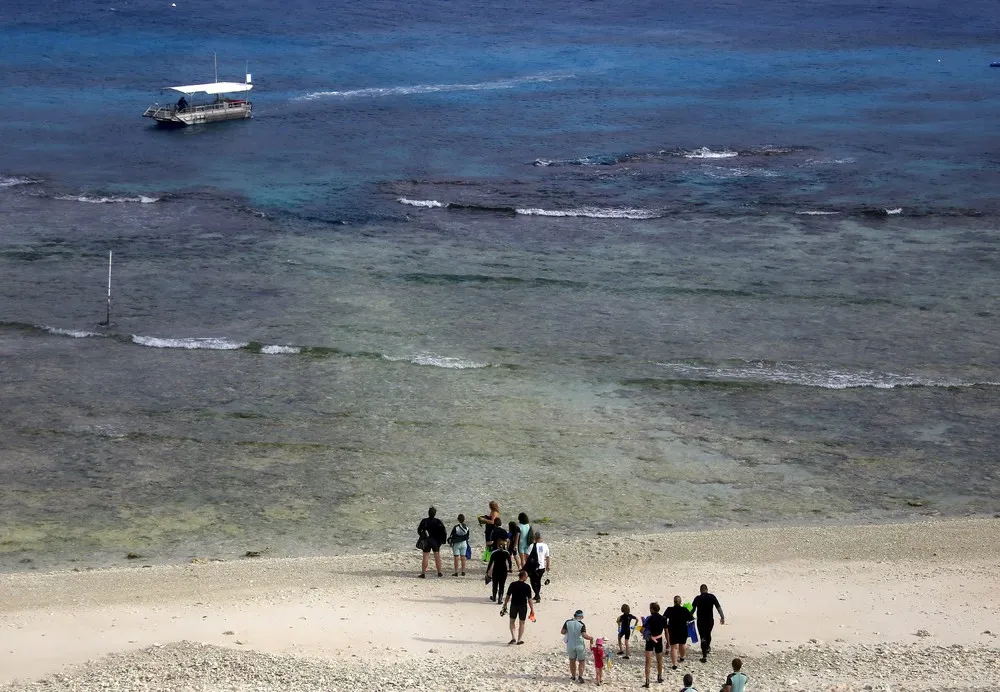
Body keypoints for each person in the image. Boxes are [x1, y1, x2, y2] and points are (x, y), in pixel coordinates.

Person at [691, 584, 725, 662]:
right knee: (708, 634)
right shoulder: (712, 597)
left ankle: (704, 655)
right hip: (709, 620)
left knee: (702, 637)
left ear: (700, 590)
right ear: (707, 589)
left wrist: (688, 617)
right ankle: (707, 647)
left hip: (700, 621)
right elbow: (718, 607)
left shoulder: (697, 598)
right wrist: (722, 617)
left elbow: (693, 610)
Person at [501, 570, 535, 645]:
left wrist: (505, 604)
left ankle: (513, 638)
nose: (527, 577)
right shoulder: (527, 586)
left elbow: (508, 596)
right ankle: (519, 640)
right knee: (522, 623)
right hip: (523, 606)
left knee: (512, 621)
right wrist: (532, 609)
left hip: (514, 605)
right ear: (524, 577)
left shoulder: (513, 584)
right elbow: (529, 599)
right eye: (526, 576)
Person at [561, 609, 594, 683]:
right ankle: (580, 676)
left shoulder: (567, 622)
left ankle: (573, 676)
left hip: (570, 644)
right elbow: (584, 635)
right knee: (581, 661)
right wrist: (591, 638)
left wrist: (569, 632)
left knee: (572, 661)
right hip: (579, 645)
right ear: (581, 617)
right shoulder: (581, 624)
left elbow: (562, 632)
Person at [642, 602, 669, 688]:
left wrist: (647, 635)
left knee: (648, 661)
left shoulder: (649, 618)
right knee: (659, 660)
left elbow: (642, 629)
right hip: (659, 640)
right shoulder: (663, 618)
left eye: (650, 608)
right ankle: (659, 677)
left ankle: (647, 681)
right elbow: (666, 631)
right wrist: (668, 642)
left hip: (650, 639)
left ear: (652, 609)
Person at [416, 506, 447, 578]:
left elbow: (419, 530)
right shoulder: (438, 521)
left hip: (427, 540)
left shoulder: (424, 521)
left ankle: (423, 573)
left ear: (428, 513)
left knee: (425, 556)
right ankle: (439, 572)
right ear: (435, 514)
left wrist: (422, 536)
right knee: (437, 556)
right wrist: (442, 541)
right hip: (435, 541)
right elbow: (443, 532)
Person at [665, 595, 694, 670]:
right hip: (683, 629)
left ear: (674, 602)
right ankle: (682, 657)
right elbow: (691, 618)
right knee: (682, 644)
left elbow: (664, 618)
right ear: (681, 602)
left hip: (673, 629)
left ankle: (674, 664)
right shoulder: (685, 610)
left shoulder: (669, 609)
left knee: (674, 647)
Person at [523, 531, 550, 602]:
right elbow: (547, 557)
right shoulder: (545, 546)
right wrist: (548, 566)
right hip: (542, 567)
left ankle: (537, 595)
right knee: (538, 581)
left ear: (535, 538)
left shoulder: (532, 545)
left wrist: (528, 563)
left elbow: (527, 555)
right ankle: (537, 595)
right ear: (541, 537)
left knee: (532, 581)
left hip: (533, 567)